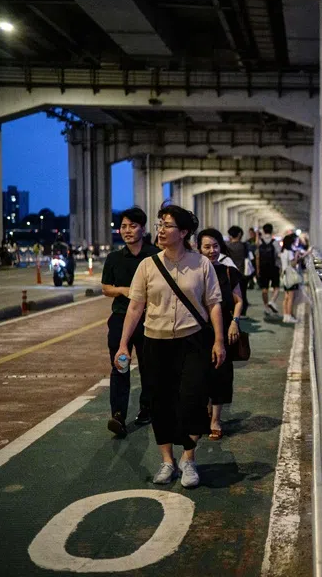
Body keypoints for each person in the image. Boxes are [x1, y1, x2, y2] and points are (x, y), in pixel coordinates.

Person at [116, 205, 225, 488]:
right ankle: (167, 461)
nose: (161, 230)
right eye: (160, 224)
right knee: (160, 402)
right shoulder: (148, 266)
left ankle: (189, 459)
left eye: (168, 225)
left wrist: (219, 340)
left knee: (192, 400)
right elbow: (135, 307)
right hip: (155, 342)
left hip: (192, 342)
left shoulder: (201, 264)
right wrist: (123, 344)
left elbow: (214, 303)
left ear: (184, 232)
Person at [101, 207, 160, 438]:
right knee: (120, 366)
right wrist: (124, 290)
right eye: (123, 226)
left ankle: (147, 408)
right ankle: (118, 416)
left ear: (142, 229)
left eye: (132, 226)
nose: (127, 230)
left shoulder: (155, 256)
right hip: (120, 320)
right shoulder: (114, 258)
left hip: (149, 321)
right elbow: (106, 288)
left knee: (149, 367)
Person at [197, 228, 243, 440]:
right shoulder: (194, 271)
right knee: (200, 372)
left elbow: (239, 300)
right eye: (207, 247)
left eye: (215, 246)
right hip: (197, 330)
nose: (211, 251)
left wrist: (234, 322)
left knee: (220, 373)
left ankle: (215, 419)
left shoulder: (228, 271)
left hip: (223, 329)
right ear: (198, 249)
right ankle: (205, 410)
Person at [279, 233, 308, 324]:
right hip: (291, 276)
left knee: (286, 297)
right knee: (291, 297)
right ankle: (289, 316)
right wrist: (297, 255)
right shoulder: (290, 252)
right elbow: (293, 264)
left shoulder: (283, 251)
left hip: (285, 275)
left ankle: (285, 316)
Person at [225, 226, 253, 316]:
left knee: (231, 294)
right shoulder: (244, 245)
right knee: (242, 294)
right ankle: (242, 313)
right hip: (242, 273)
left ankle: (233, 312)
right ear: (240, 234)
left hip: (230, 273)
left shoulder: (227, 246)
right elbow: (250, 257)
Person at [256, 223, 281, 316]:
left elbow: (257, 256)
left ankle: (266, 307)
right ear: (272, 231)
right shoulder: (275, 242)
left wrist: (258, 269)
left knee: (264, 289)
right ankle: (272, 301)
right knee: (276, 287)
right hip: (273, 267)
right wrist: (280, 267)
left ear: (263, 230)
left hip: (263, 268)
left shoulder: (260, 242)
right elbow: (278, 256)